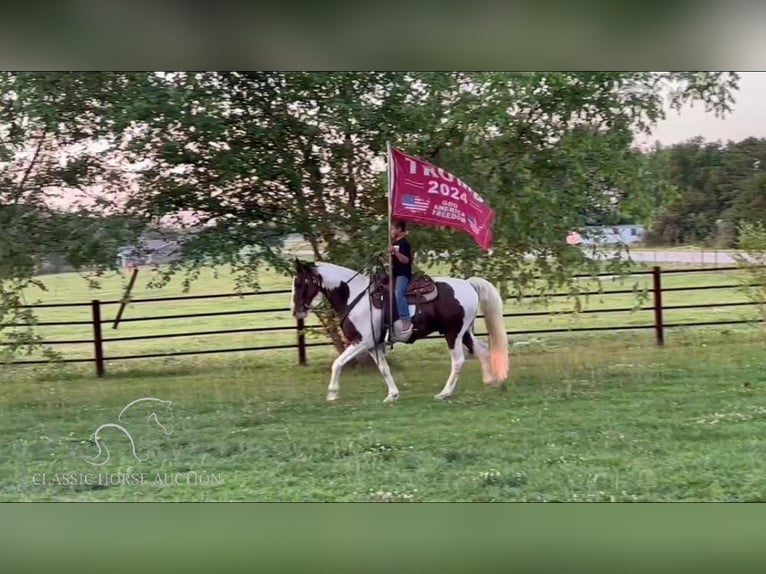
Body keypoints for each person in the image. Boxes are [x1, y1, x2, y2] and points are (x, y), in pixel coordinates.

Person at [390, 220, 413, 340]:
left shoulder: (404, 244)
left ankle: (406, 319)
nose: (391, 231)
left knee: (399, 293)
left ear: (399, 229)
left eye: (393, 229)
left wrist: (395, 252)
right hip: (394, 274)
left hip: (402, 274)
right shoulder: (395, 243)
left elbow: (405, 260)